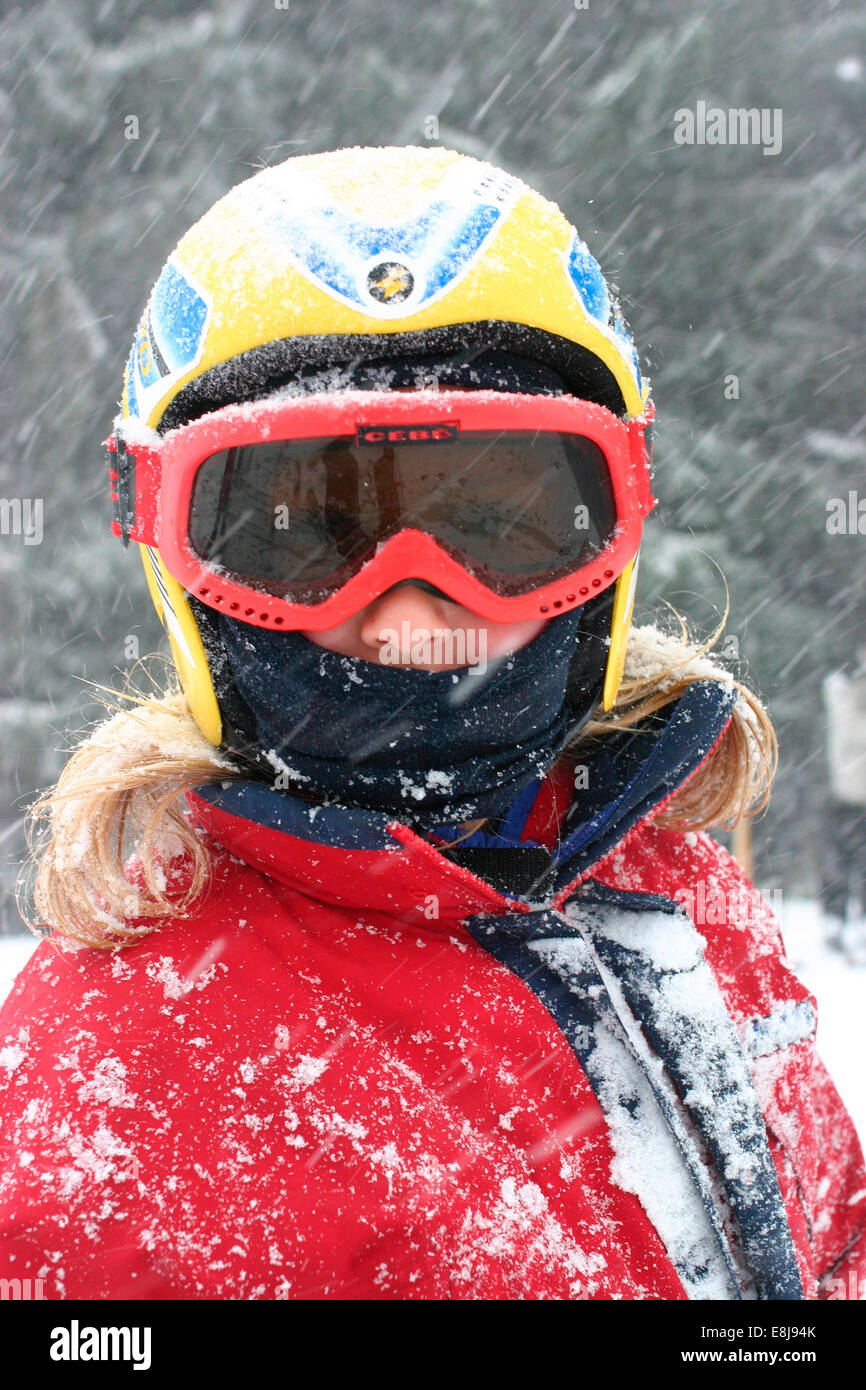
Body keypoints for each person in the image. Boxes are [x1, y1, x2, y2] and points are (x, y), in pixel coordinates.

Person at [1, 145, 863, 1301]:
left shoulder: (657, 873)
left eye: (496, 524)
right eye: (305, 537)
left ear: (611, 521)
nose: (409, 606)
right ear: (171, 543)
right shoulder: (116, 1089)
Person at [821, 648, 866, 958]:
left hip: (848, 792)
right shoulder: (844, 690)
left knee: (846, 860)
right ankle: (835, 922)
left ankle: (849, 924)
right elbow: (849, 736)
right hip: (847, 794)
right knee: (839, 860)